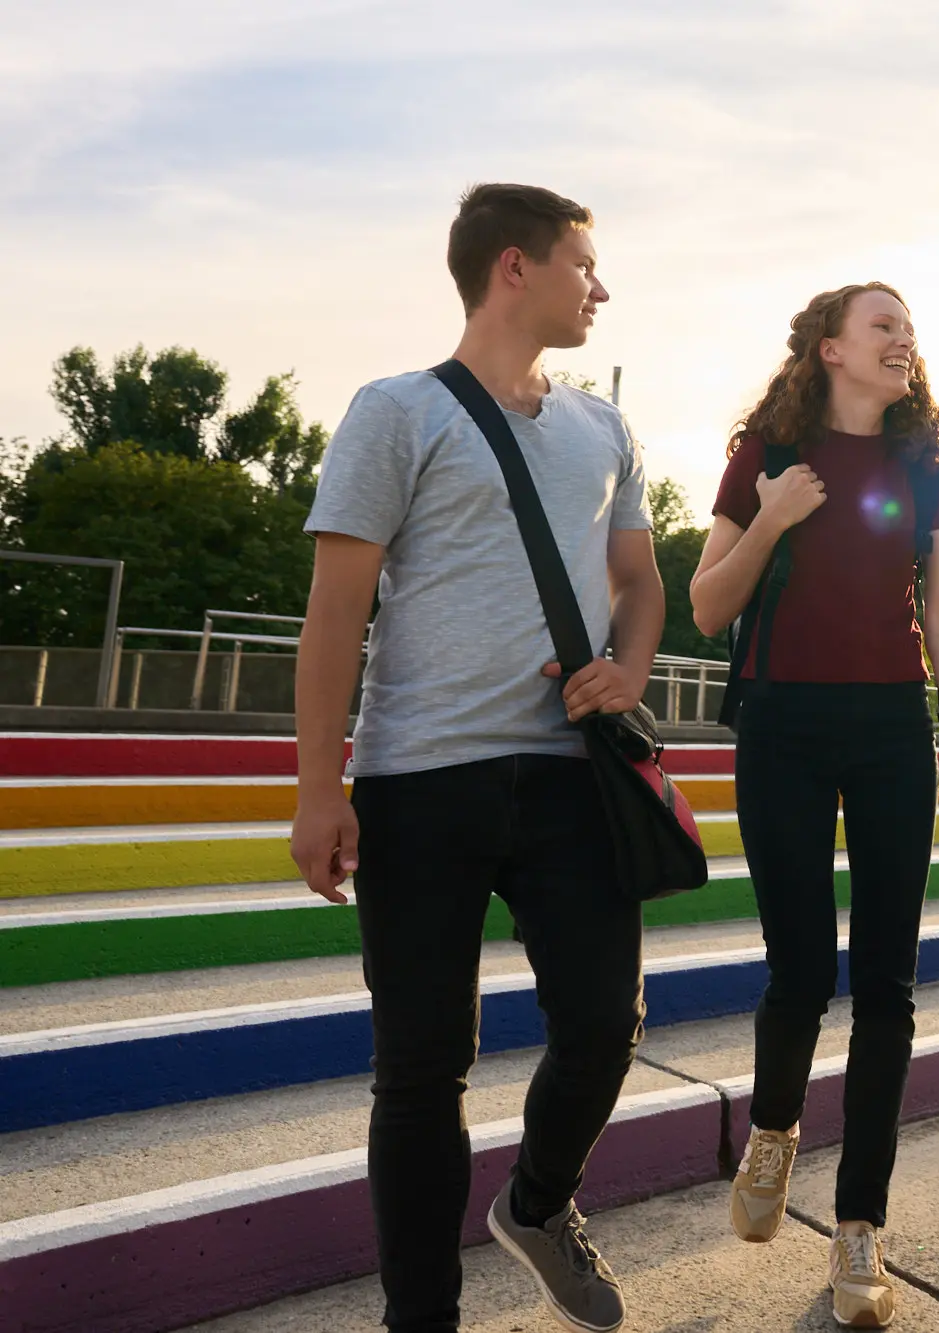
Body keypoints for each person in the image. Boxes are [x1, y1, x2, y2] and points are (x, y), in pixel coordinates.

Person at [290, 183, 658, 1333]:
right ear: (515, 266)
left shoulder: (604, 426)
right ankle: (422, 1319)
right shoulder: (397, 410)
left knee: (605, 1022)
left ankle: (538, 1204)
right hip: (421, 780)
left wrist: (630, 670)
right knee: (419, 1072)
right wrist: (317, 789)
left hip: (569, 777)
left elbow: (639, 587)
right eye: (584, 265)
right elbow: (334, 613)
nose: (600, 287)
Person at [689, 282, 939, 1328]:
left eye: (907, 326)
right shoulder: (762, 454)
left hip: (891, 732)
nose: (902, 337)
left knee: (889, 988)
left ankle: (860, 1227)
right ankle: (774, 1128)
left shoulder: (922, 468)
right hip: (780, 725)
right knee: (801, 968)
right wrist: (770, 517)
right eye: (881, 324)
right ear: (827, 349)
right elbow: (706, 602)